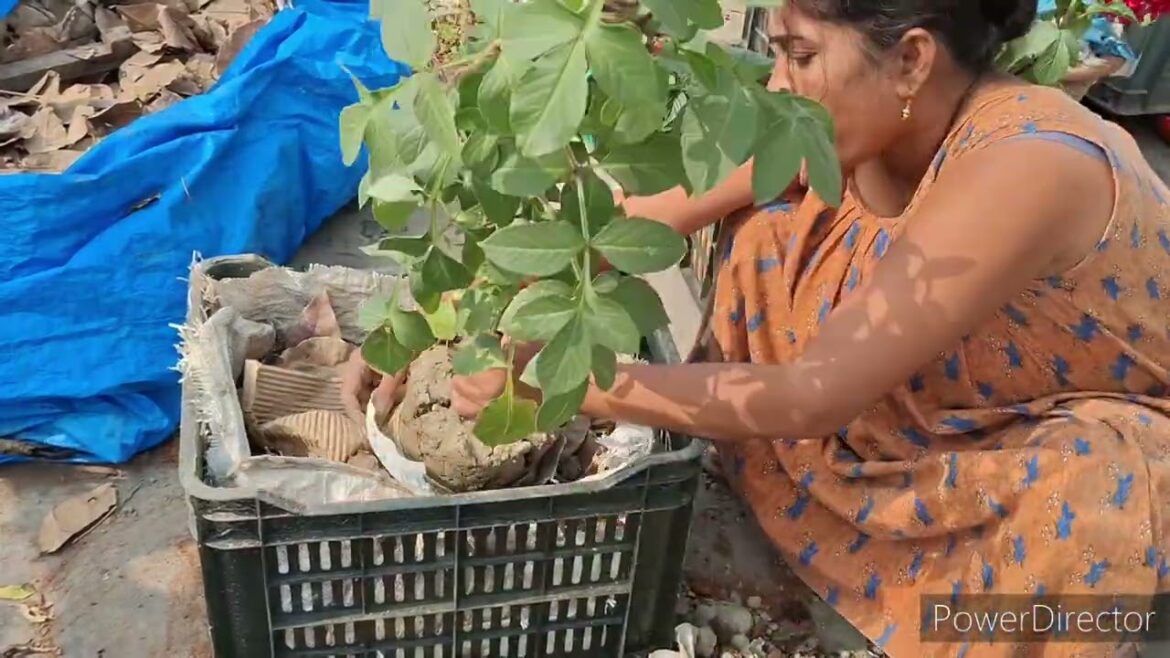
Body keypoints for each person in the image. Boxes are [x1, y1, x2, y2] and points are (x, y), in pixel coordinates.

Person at [343, 0, 1170, 655]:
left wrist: (570, 387)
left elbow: (811, 397)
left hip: (1050, 413)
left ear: (913, 57)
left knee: (1091, 497)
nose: (779, 80)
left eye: (800, 56)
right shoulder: (837, 106)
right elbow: (641, 213)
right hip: (912, 383)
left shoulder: (1028, 164)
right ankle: (815, 510)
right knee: (775, 226)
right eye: (777, 50)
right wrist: (420, 318)